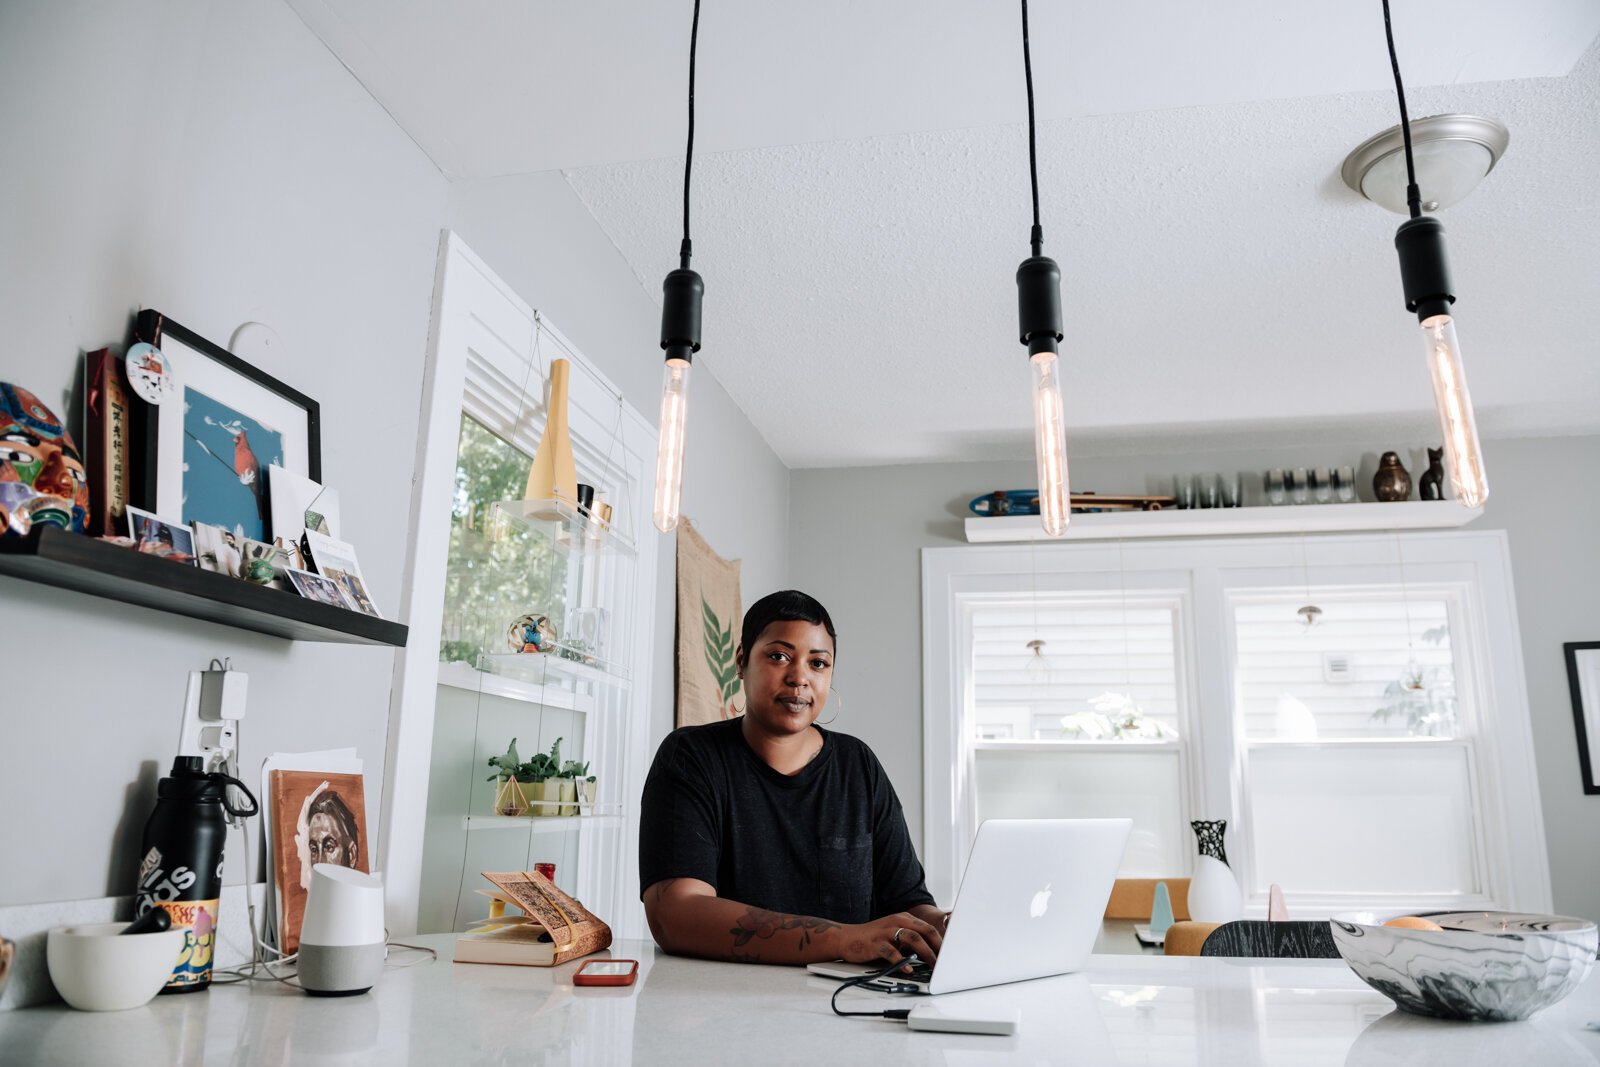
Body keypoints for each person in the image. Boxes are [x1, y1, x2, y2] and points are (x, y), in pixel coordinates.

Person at [639, 590, 946, 969]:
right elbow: (675, 915)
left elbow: (908, 901)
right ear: (741, 661)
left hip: (849, 1003)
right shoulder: (691, 757)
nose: (799, 677)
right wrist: (844, 939)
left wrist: (945, 926)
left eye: (818, 663)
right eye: (778, 656)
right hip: (722, 1005)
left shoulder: (858, 765)